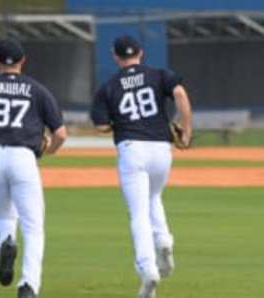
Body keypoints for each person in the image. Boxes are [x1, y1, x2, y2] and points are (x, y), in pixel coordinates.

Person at [0, 37, 67, 298]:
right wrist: (48, 150)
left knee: (4, 216)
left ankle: (6, 240)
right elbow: (61, 133)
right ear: (23, 61)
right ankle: (28, 286)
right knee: (33, 227)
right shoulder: (36, 89)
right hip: (23, 157)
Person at [90, 35, 192, 298]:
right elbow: (180, 93)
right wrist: (187, 130)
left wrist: (119, 124)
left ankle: (147, 268)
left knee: (138, 213)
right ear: (140, 53)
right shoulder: (158, 75)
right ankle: (164, 241)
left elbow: (100, 125)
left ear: (115, 56)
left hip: (132, 150)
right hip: (161, 149)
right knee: (153, 196)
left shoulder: (109, 86)